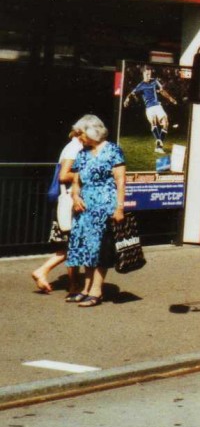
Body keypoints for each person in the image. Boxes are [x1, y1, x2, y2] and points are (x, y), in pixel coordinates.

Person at [65, 114, 126, 307]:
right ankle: (86, 288)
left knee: (100, 248)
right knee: (85, 247)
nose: (78, 137)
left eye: (81, 133)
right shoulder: (83, 153)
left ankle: (97, 290)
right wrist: (75, 197)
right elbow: (75, 180)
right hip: (84, 208)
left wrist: (120, 207)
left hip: (105, 205)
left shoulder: (113, 150)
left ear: (92, 131)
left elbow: (120, 180)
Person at [30, 126, 84, 294]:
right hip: (69, 201)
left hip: (66, 200)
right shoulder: (75, 148)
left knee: (72, 245)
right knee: (74, 244)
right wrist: (88, 174)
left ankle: (71, 283)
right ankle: (47, 272)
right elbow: (64, 175)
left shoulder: (72, 146)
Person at [123, 67, 177, 154]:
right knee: (153, 122)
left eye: (150, 74)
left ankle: (158, 144)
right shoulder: (141, 85)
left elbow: (162, 91)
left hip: (157, 106)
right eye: (147, 74)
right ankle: (159, 145)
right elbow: (132, 93)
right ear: (143, 74)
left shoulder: (155, 81)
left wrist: (171, 98)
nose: (149, 76)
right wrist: (127, 99)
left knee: (165, 123)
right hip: (149, 108)